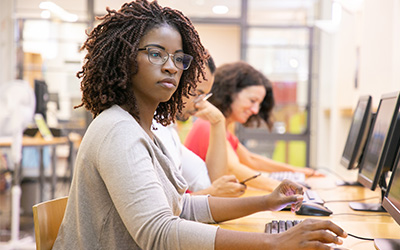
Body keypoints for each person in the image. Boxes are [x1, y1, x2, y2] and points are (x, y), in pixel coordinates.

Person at [53, 1, 347, 249]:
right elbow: (159, 233)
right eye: (156, 54)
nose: (171, 66)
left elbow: (182, 208)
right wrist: (273, 242)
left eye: (179, 59)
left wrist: (266, 202)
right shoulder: (118, 130)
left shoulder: (147, 129)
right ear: (124, 58)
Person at [185, 61, 323, 192]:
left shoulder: (223, 128)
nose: (255, 110)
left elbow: (251, 159)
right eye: (252, 101)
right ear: (230, 93)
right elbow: (233, 168)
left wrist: (296, 171)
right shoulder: (208, 125)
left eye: (259, 104)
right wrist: (281, 187)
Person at [152, 53, 245, 197]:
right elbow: (157, 208)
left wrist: (218, 122)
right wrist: (212, 192)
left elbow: (212, 182)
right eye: (197, 94)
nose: (200, 104)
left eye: (204, 97)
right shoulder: (148, 129)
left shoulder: (168, 131)